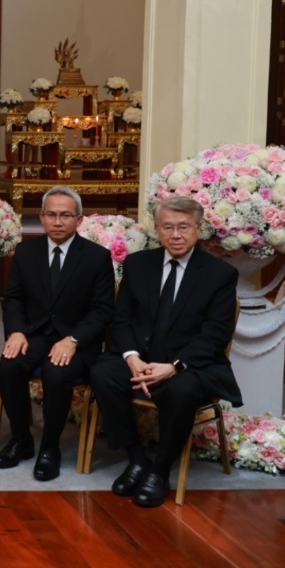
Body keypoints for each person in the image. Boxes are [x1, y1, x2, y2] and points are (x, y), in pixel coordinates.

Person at [91, 196, 241, 507]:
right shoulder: (138, 264)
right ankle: (136, 459)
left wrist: (173, 366)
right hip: (141, 358)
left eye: (184, 227)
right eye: (168, 227)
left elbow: (215, 334)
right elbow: (121, 319)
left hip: (188, 365)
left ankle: (159, 470)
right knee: (103, 372)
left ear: (198, 229)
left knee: (183, 391)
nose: (176, 234)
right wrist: (132, 358)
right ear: (158, 229)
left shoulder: (219, 274)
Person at [0, 186, 115, 481]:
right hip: (34, 334)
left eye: (65, 215)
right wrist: (17, 332)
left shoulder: (97, 257)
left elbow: (102, 310)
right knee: (9, 368)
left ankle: (50, 447)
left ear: (79, 219)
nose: (58, 222)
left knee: (56, 372)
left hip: (76, 340)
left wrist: (74, 340)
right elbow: (14, 299)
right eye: (51, 215)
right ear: (42, 218)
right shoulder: (26, 251)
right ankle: (21, 439)